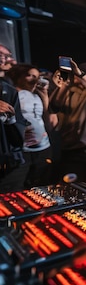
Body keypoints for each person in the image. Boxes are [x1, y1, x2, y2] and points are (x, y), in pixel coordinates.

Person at [9, 63, 54, 187]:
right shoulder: (13, 94)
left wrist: (44, 92)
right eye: (29, 75)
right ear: (19, 76)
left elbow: (43, 110)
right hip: (24, 149)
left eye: (36, 76)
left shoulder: (35, 95)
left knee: (41, 183)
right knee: (19, 183)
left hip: (43, 146)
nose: (33, 79)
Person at [0, 46, 28, 192]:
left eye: (6, 55)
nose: (5, 58)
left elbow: (17, 128)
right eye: (0, 54)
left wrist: (10, 120)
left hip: (8, 164)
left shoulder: (9, 90)